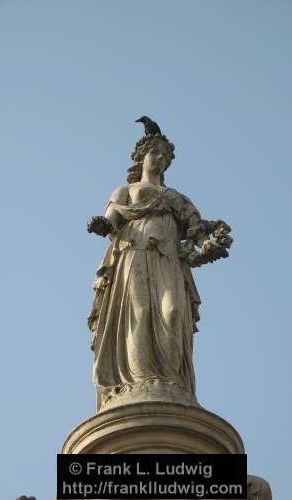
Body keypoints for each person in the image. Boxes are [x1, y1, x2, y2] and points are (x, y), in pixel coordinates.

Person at [87, 134, 205, 411]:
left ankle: (171, 381)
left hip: (168, 260)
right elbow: (113, 219)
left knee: (173, 312)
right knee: (138, 314)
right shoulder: (124, 191)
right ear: (142, 157)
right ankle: (140, 381)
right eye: (156, 153)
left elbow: (196, 229)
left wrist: (207, 239)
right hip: (134, 254)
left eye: (166, 157)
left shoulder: (175, 197)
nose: (161, 160)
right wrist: (101, 225)